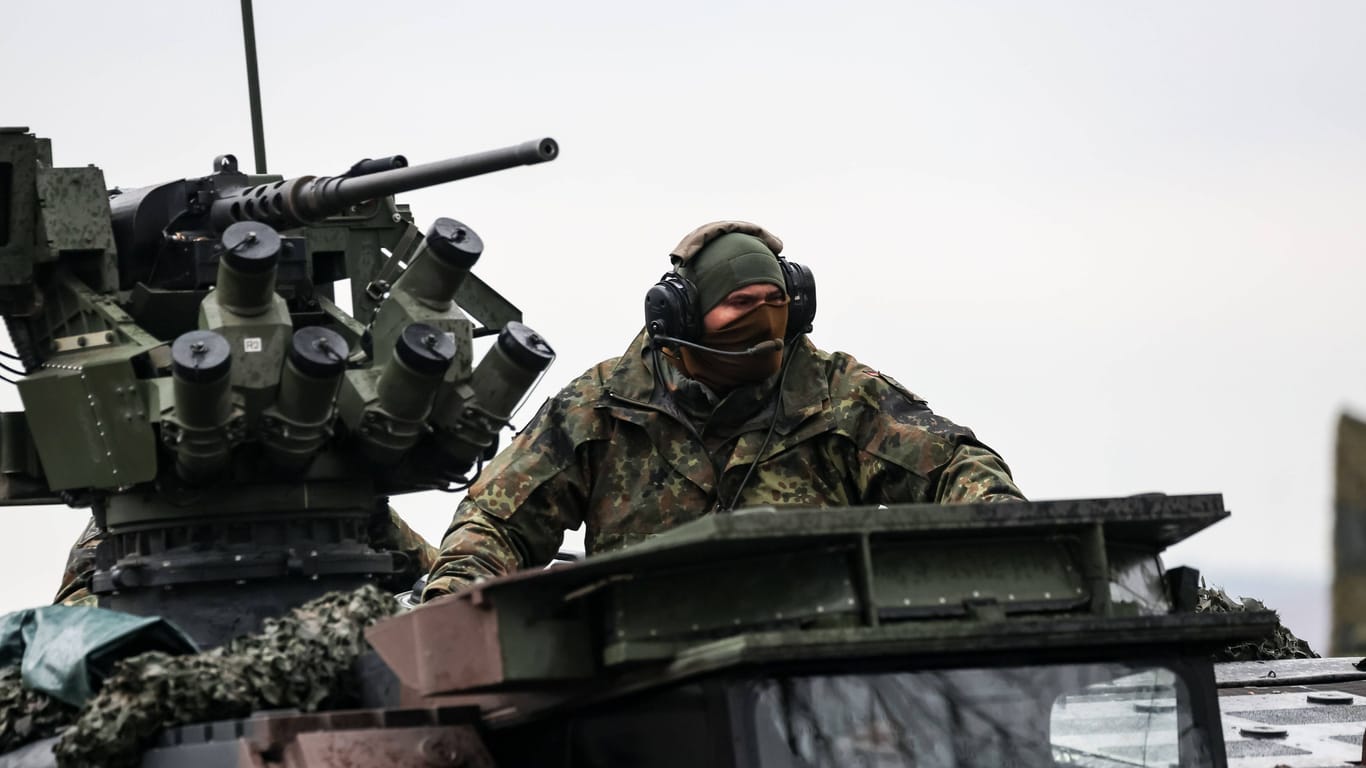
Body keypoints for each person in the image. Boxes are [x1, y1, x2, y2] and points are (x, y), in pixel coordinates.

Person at [422, 221, 1023, 601]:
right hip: (646, 676)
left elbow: (955, 467)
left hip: (820, 671)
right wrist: (456, 601)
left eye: (775, 302)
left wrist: (1005, 542)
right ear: (681, 316)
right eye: (739, 303)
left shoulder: (840, 395)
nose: (763, 319)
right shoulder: (603, 407)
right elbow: (495, 523)